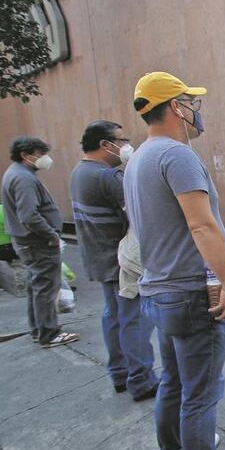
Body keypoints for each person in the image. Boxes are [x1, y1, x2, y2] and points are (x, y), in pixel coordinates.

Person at [124, 71, 225, 450]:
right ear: (174, 107)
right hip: (189, 292)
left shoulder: (139, 158)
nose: (194, 110)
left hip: (158, 290)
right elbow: (202, 225)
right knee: (201, 392)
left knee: (174, 380)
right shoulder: (177, 155)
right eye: (189, 102)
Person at [70, 119, 158, 401]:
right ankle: (141, 380)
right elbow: (140, 215)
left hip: (99, 258)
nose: (126, 145)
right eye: (122, 140)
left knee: (114, 316)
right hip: (120, 261)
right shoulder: (106, 177)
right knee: (134, 320)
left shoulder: (79, 172)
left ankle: (120, 373)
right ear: (105, 144)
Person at [0, 138, 79, 348]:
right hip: (37, 242)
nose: (45, 158)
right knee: (45, 287)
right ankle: (49, 333)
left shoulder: (16, 173)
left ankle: (39, 329)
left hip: (28, 241)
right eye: (40, 153)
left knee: (37, 286)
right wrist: (51, 235)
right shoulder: (23, 178)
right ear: (26, 155)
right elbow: (29, 215)